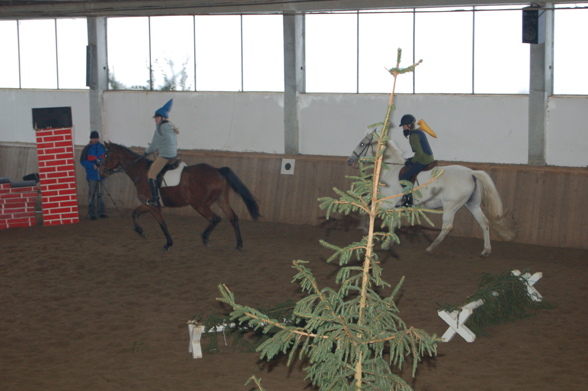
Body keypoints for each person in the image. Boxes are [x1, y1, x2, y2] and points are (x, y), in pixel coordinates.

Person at [144, 99, 179, 207]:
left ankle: (155, 200)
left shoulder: (160, 128)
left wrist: (146, 152)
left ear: (162, 118)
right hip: (173, 153)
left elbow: (154, 144)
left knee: (151, 174)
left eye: (157, 118)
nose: (155, 120)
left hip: (165, 155)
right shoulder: (170, 127)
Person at [399, 114, 435, 207]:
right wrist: (412, 159)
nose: (403, 128)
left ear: (409, 125)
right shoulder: (418, 131)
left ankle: (408, 201)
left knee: (404, 177)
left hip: (423, 159)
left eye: (404, 125)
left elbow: (420, 153)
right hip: (428, 157)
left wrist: (412, 161)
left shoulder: (413, 135)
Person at [80, 130, 107, 220]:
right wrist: (92, 165)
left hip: (102, 175)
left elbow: (107, 159)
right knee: (92, 194)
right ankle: (92, 214)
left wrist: (102, 165)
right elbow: (83, 161)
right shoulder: (87, 149)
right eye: (94, 138)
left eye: (96, 138)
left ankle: (101, 212)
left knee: (101, 194)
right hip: (92, 175)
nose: (95, 139)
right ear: (91, 139)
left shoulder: (103, 147)